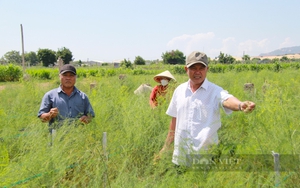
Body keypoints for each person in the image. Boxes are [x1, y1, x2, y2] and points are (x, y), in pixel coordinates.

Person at [158, 51, 256, 167]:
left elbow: (226, 99)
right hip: (180, 157)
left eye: (201, 68)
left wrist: (240, 105)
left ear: (207, 69)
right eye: (193, 68)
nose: (197, 72)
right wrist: (166, 146)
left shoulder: (214, 91)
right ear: (186, 69)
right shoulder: (179, 91)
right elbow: (174, 120)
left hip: (205, 157)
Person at [37, 64, 95, 132]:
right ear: (60, 76)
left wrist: (87, 119)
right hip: (57, 138)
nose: (68, 78)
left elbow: (90, 116)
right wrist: (49, 115)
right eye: (65, 75)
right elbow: (42, 118)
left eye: (71, 75)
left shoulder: (83, 97)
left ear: (75, 77)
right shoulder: (50, 95)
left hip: (79, 138)